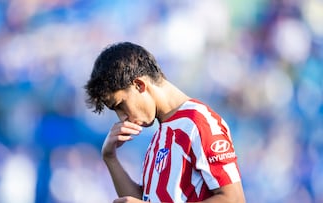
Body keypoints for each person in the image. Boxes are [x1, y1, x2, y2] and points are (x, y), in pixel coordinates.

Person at [85, 42, 245, 203]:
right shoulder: (160, 135)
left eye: (120, 105)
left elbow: (235, 199)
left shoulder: (199, 122)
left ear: (139, 85)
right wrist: (110, 158)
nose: (122, 117)